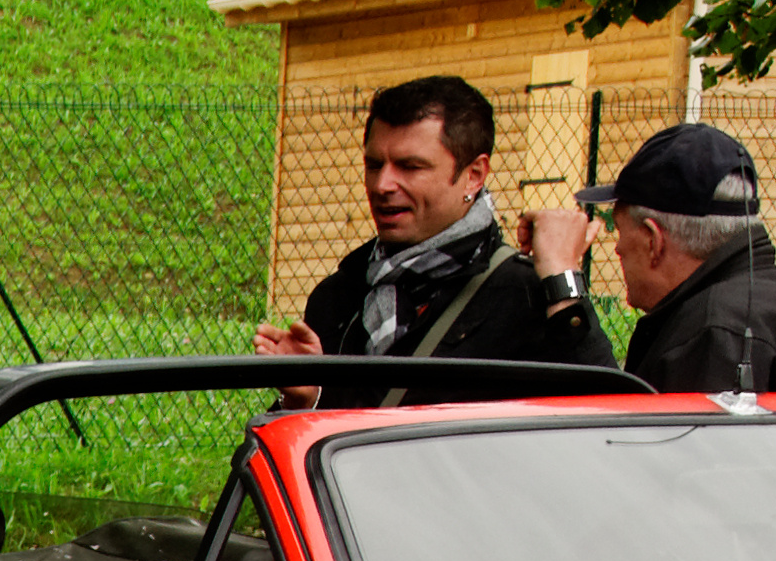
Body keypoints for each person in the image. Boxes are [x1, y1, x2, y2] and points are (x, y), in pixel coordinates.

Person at [256, 75, 607, 399]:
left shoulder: (524, 294)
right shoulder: (339, 298)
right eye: (375, 165)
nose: (382, 185)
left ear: (473, 175)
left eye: (410, 167)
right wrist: (309, 398)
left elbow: (602, 417)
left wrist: (562, 277)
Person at [522, 121, 776, 395]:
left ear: (654, 241)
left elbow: (636, 444)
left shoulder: (715, 332)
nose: (616, 249)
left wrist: (562, 279)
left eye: (617, 230)